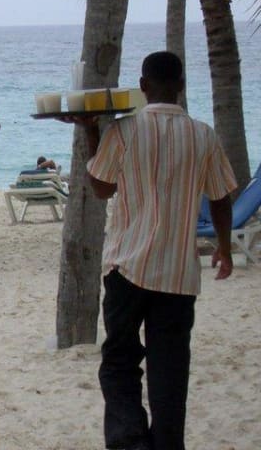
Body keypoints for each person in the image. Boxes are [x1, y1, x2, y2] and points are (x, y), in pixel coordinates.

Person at [76, 51, 235, 450]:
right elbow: (219, 197)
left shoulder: (125, 131)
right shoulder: (204, 135)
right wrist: (224, 246)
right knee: (170, 371)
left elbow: (101, 187)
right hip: (178, 273)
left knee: (120, 363)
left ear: (143, 86)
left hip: (126, 267)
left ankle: (131, 443)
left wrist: (92, 130)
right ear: (181, 86)